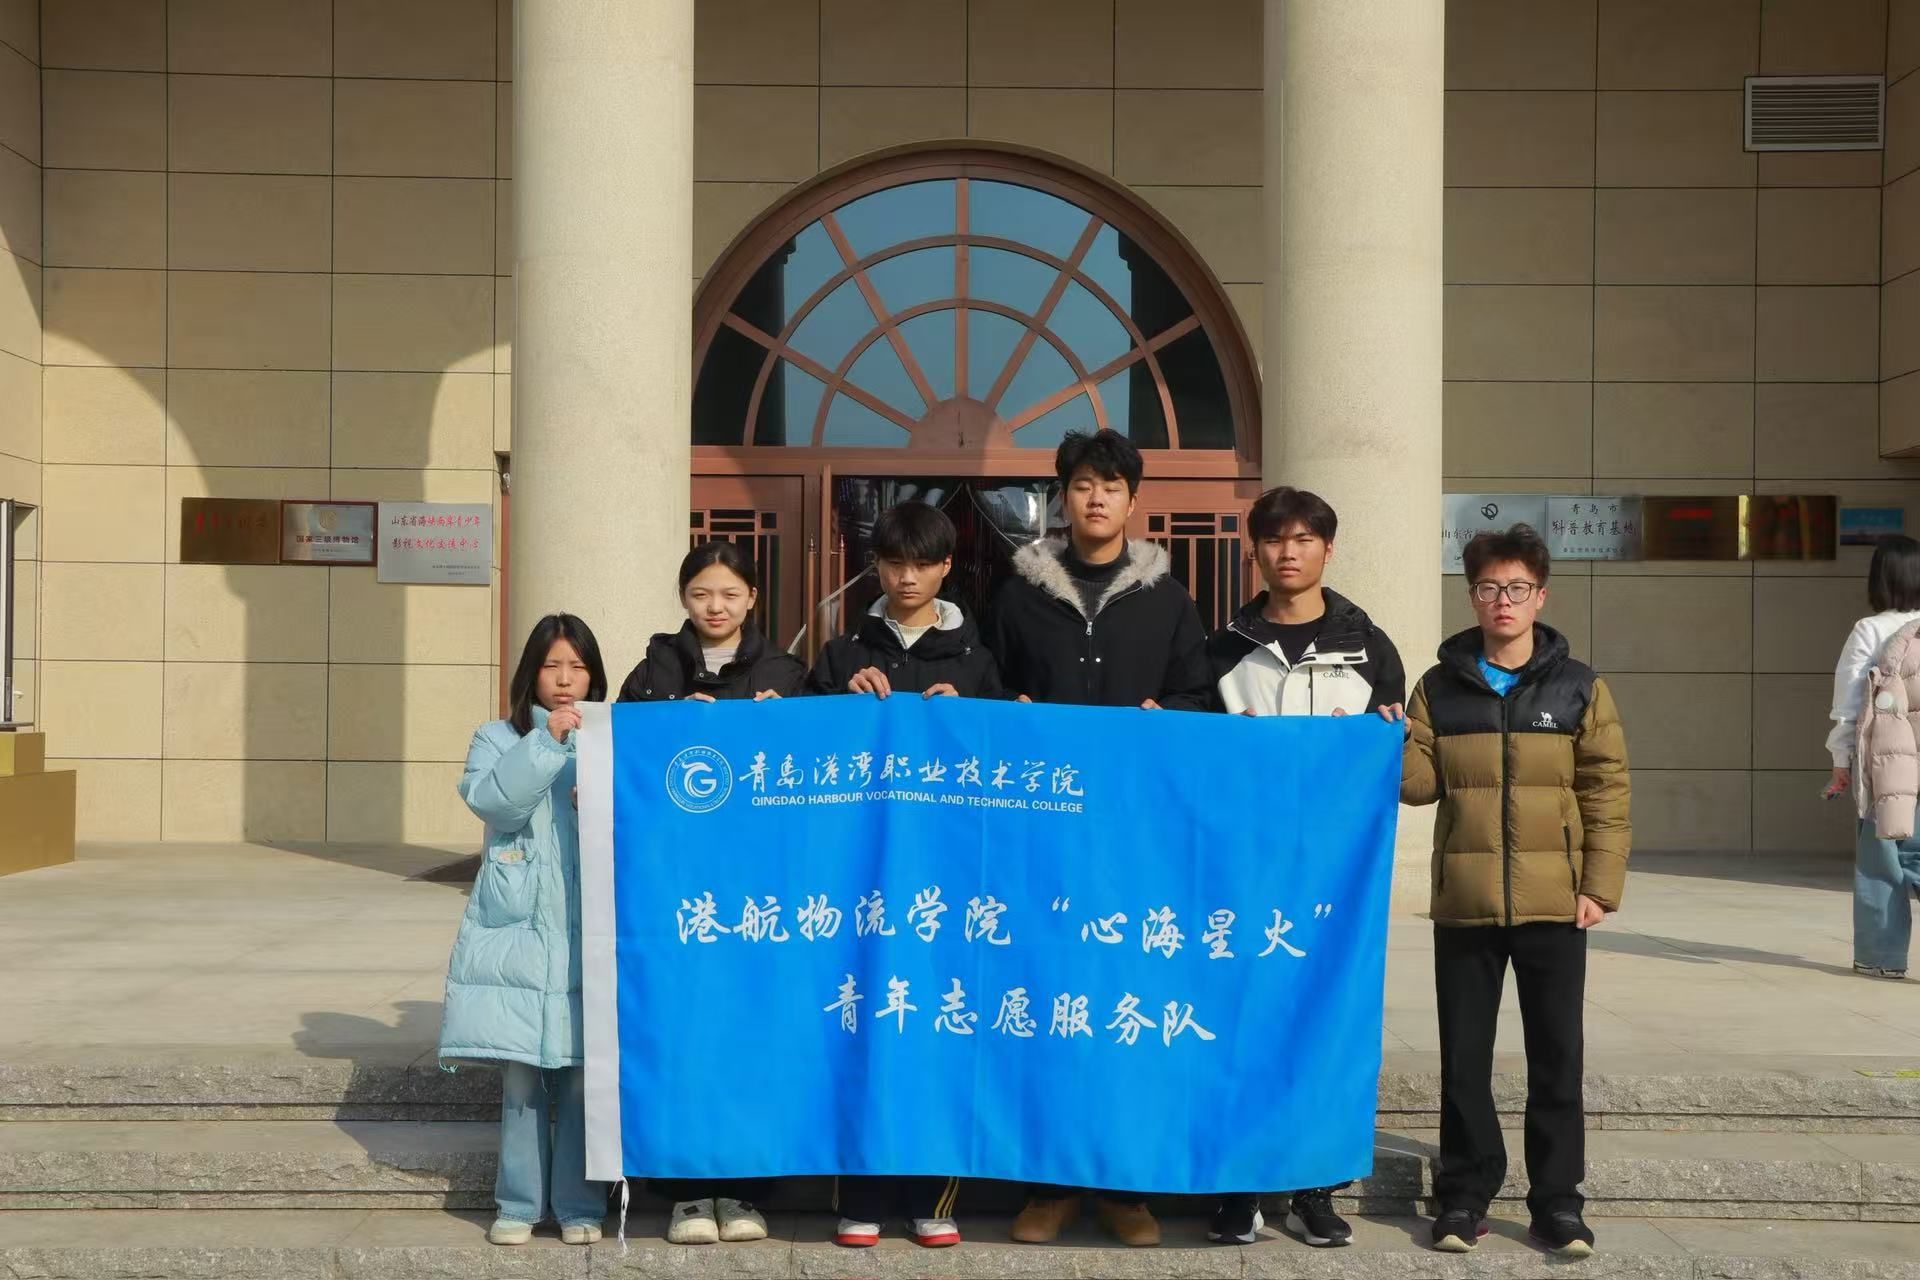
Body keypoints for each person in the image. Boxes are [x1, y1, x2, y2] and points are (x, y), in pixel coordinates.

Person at [985, 427, 1211, 1249]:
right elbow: (987, 689)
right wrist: (1007, 713)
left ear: (1132, 500)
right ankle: (1049, 1185)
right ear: (1063, 497)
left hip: (1134, 841)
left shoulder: (1169, 600)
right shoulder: (1018, 595)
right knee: (1049, 1004)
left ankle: (1123, 1190)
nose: (1096, 498)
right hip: (1042, 837)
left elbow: (1199, 698)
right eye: (1082, 484)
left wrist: (1164, 716)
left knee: (1123, 1008)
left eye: (1111, 486)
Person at [1401, 524, 1629, 1261]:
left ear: (1541, 597)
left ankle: (1558, 1203)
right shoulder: (1437, 687)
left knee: (1556, 1057)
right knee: (1464, 1060)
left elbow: (1606, 791)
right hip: (1466, 903)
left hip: (1555, 904)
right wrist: (1393, 738)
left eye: (1517, 588)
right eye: (1489, 588)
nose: (1503, 600)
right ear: (1472, 596)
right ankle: (1463, 1197)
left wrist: (1599, 886)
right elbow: (1418, 787)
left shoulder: (1579, 687)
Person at [1202, 486, 1406, 1249]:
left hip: (1332, 874)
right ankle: (1239, 1189)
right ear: (1254, 550)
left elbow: (1394, 759)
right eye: (1274, 539)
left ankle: (1316, 1190)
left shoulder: (1369, 647)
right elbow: (1193, 758)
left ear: (1328, 548)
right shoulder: (1222, 649)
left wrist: (1386, 737)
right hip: (1244, 867)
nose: (1288, 552)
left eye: (1303, 539)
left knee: (1324, 1023)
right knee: (1239, 1021)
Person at [807, 500, 990, 1250]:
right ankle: (861, 1197)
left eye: (922, 563)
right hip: (859, 874)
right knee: (860, 1025)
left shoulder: (976, 658)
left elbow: (1008, 755)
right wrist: (837, 703)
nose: (907, 577)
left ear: (946, 567)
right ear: (875, 567)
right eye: (893, 562)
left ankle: (930, 1197)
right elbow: (802, 753)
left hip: (948, 879)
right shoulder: (842, 653)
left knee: (938, 1025)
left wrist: (970, 714)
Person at [616, 542, 806, 1245]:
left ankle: (747, 1191)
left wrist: (784, 728)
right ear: (683, 597)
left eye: (729, 593)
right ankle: (687, 1194)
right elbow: (622, 759)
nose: (715, 607)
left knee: (753, 1033)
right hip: (676, 886)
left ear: (753, 597)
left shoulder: (787, 674)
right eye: (701, 594)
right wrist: (668, 725)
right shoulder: (653, 672)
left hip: (760, 889)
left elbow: (817, 776)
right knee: (681, 1034)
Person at [440, 613, 611, 1247]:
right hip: (517, 933)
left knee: (582, 1075)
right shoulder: (496, 737)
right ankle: (516, 1205)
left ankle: (580, 1207)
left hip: (587, 926)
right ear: (530, 674)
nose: (565, 680)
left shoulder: (609, 737)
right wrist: (547, 744)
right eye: (552, 666)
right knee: (520, 1077)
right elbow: (494, 804)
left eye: (578, 667)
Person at [1822, 533, 1920, 981]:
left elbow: (1848, 704)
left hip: (1887, 768)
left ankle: (1882, 958)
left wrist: (1840, 761)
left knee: (1882, 862)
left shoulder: (1871, 629)